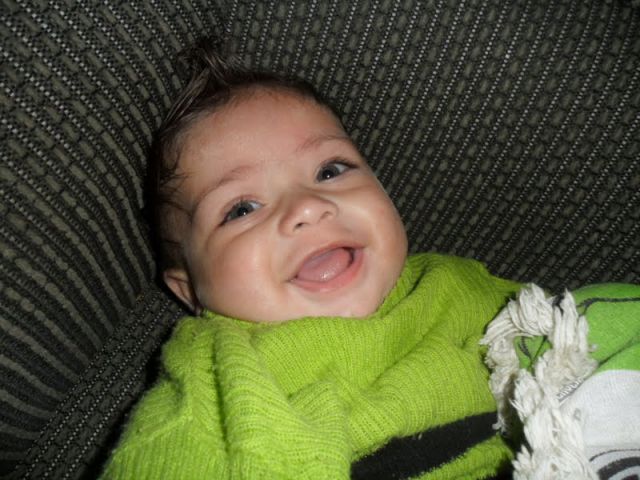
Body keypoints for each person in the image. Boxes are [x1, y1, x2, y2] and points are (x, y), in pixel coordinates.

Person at [101, 39, 640, 479]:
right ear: (190, 290)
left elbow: (573, 341)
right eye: (241, 208)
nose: (308, 206)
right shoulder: (214, 379)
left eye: (330, 170)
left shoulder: (453, 283)